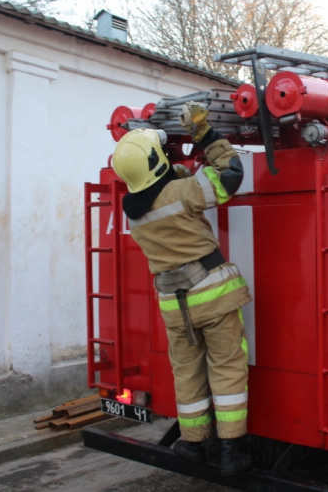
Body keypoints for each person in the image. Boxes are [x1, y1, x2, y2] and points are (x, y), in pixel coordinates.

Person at [111, 102, 252, 476]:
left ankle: (192, 445)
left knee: (187, 373)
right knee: (226, 369)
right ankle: (230, 452)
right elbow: (230, 175)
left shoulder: (135, 212)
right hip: (214, 298)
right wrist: (205, 135)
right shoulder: (181, 194)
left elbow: (160, 185)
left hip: (175, 307)